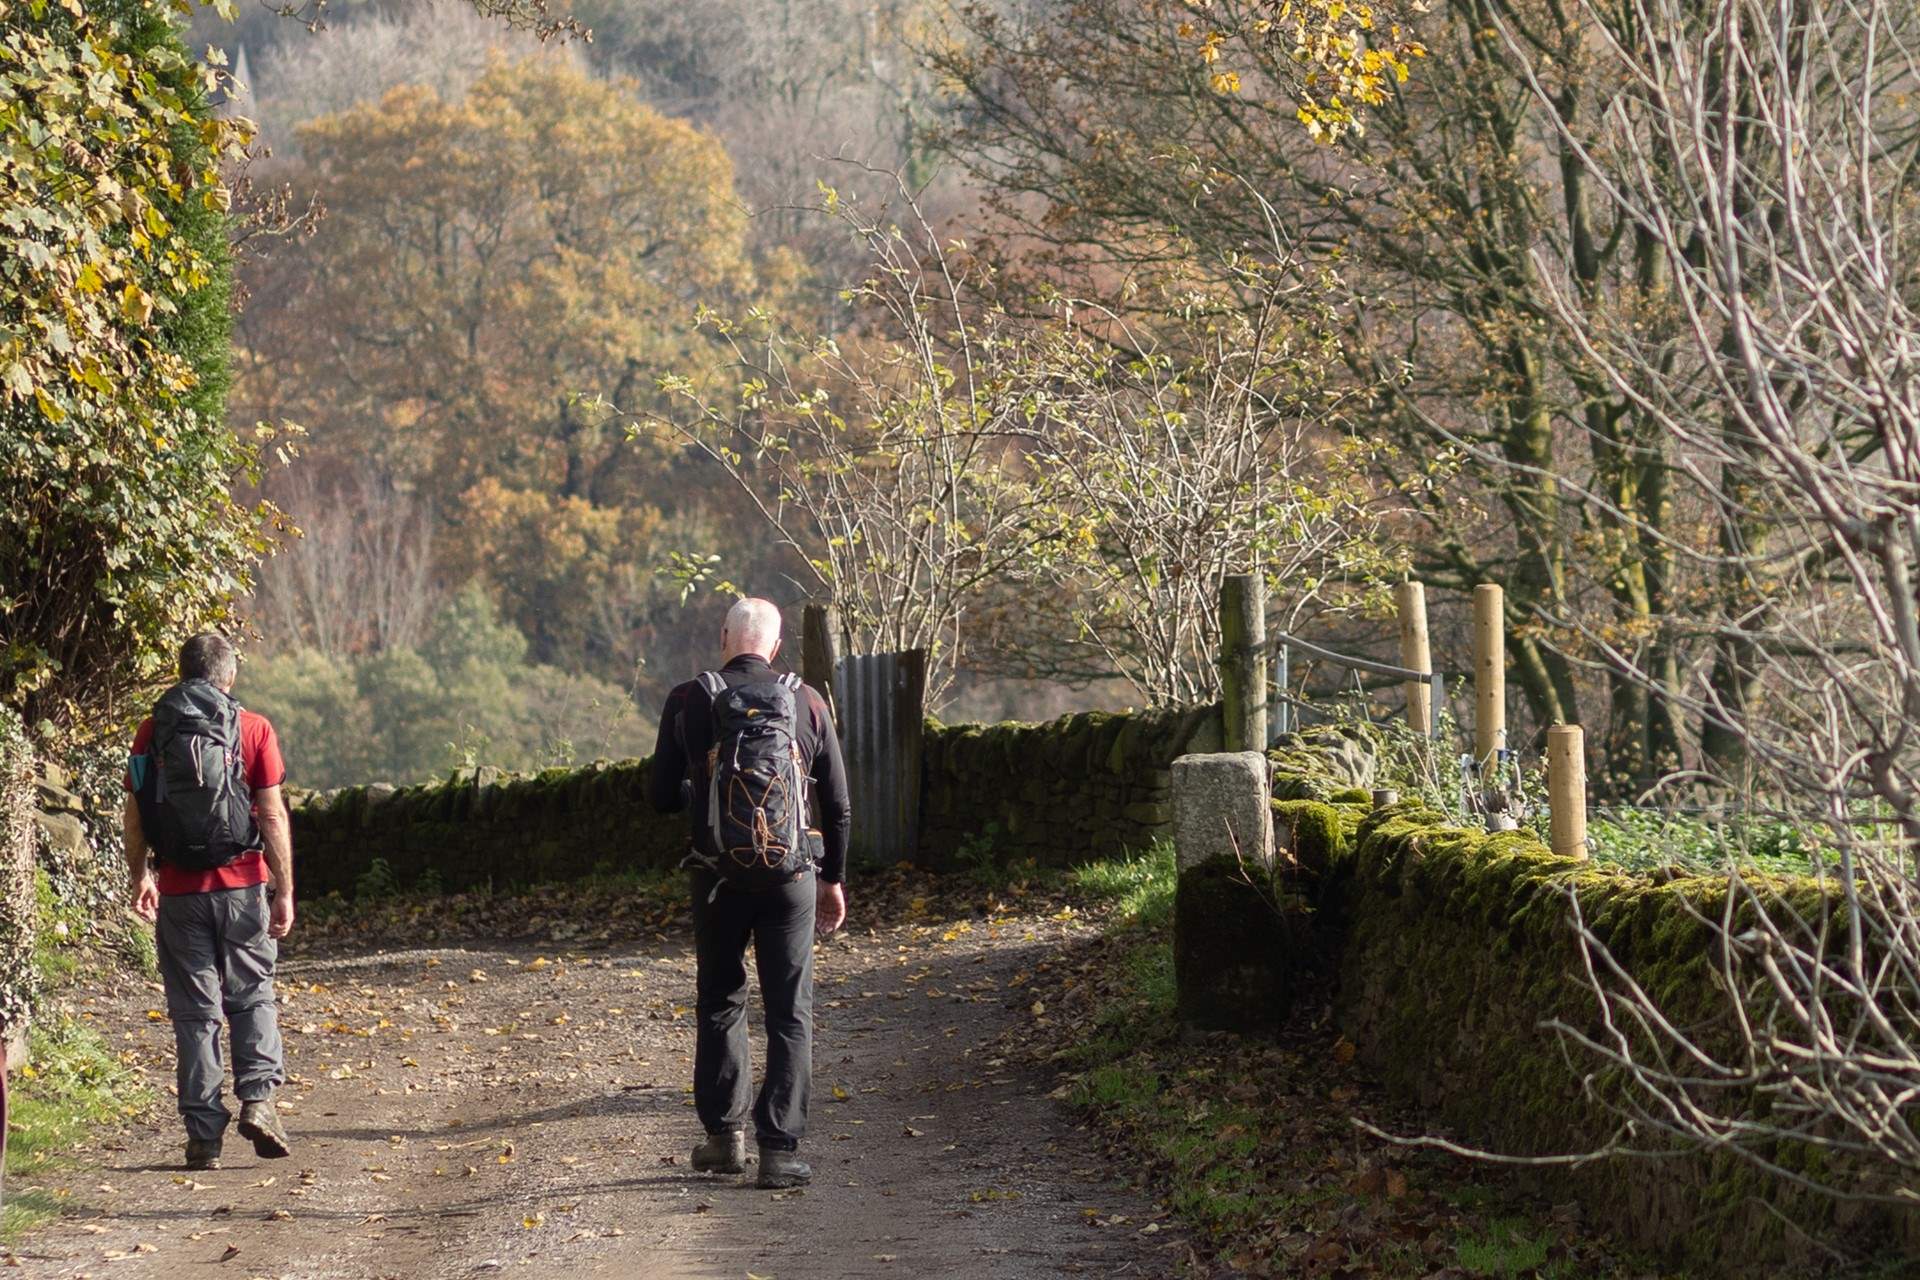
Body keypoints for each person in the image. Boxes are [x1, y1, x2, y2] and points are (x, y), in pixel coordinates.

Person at [649, 597, 851, 1189]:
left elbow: (660, 796)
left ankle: (723, 1139)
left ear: (723, 639)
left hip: (716, 878)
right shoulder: (807, 700)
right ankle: (780, 1151)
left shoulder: (688, 698)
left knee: (720, 1000)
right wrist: (832, 877)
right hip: (791, 879)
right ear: (777, 646)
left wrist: (701, 794)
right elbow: (837, 805)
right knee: (791, 1010)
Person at [124, 633, 295, 1171]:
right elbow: (270, 815)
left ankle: (203, 1138)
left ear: (180, 673)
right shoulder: (253, 729)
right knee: (252, 996)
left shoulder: (150, 733)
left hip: (179, 893)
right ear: (230, 677)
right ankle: (259, 1101)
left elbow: (135, 814)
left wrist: (141, 876)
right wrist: (284, 888)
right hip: (242, 888)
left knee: (195, 1014)